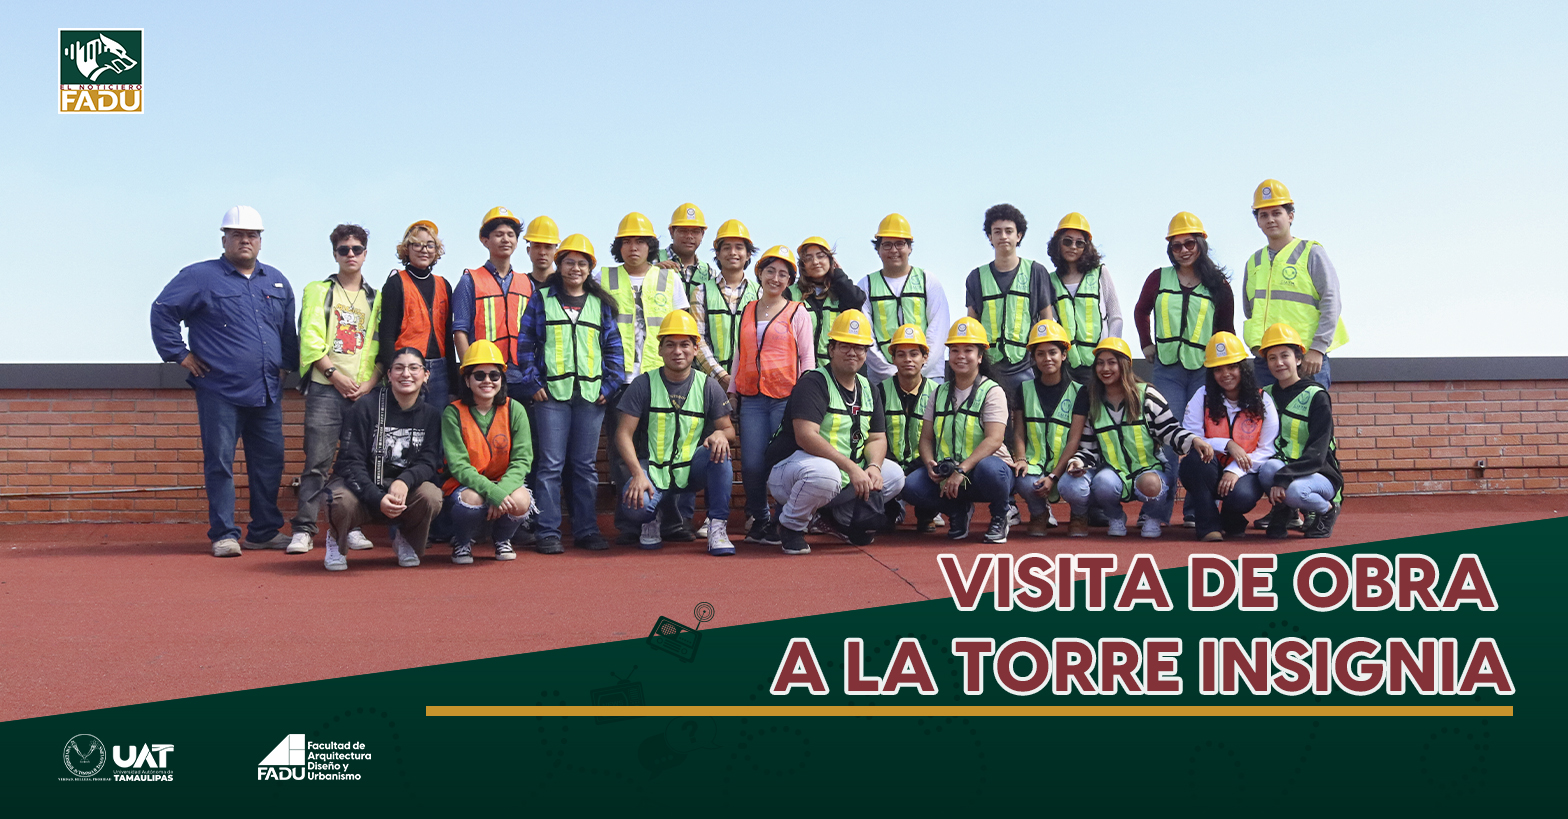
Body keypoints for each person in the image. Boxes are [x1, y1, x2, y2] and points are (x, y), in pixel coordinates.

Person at [150, 205, 298, 558]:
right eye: (237, 235)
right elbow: (162, 310)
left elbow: (287, 330)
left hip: (266, 391)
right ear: (224, 239)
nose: (245, 241)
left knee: (270, 462)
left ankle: (263, 531)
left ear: (261, 241)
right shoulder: (199, 277)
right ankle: (224, 534)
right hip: (219, 390)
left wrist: (286, 366)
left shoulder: (276, 280)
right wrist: (179, 354)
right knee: (220, 462)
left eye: (252, 235)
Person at [599, 212, 707, 544]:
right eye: (627, 241)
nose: (634, 247)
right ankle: (631, 522)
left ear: (651, 246)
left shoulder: (669, 280)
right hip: (619, 380)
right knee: (622, 454)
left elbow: (683, 326)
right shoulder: (602, 278)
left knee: (667, 449)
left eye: (641, 241)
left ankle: (672, 522)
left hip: (660, 378)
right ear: (619, 246)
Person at [516, 234, 625, 553]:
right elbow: (525, 343)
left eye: (582, 263)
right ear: (559, 265)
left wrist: (610, 385)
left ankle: (586, 529)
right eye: (569, 262)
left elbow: (613, 347)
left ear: (590, 267)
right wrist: (533, 383)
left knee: (584, 466)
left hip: (591, 397)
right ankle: (548, 531)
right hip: (552, 396)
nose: (575, 268)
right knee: (550, 464)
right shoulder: (543, 298)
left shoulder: (600, 304)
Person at [764, 310, 906, 554]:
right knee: (825, 474)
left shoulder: (869, 388)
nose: (853, 352)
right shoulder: (814, 382)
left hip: (837, 473)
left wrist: (872, 467)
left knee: (893, 475)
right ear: (831, 349)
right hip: (792, 471)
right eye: (845, 345)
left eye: (859, 347)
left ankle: (837, 517)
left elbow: (876, 437)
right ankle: (789, 525)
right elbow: (806, 435)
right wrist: (853, 468)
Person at [1131, 212, 1236, 529]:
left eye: (1189, 243)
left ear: (1201, 244)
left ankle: (1196, 509)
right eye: (1176, 246)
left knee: (1204, 438)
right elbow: (1140, 311)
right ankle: (1156, 510)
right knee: (1164, 439)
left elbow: (1226, 332)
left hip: (1205, 373)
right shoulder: (1157, 278)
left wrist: (1225, 371)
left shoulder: (1218, 284)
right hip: (1168, 370)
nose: (1184, 250)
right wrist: (1146, 344)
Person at [288, 223, 383, 555]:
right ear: (335, 254)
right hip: (326, 390)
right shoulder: (318, 290)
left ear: (366, 254)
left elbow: (380, 346)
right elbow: (310, 336)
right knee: (317, 461)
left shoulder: (376, 298)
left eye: (357, 249)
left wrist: (369, 385)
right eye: (344, 249)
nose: (351, 255)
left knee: (356, 463)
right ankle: (304, 528)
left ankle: (351, 526)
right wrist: (334, 375)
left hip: (362, 392)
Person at [1058, 338, 1214, 538]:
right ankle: (1115, 517)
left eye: (1112, 362)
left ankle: (1152, 517)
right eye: (1100, 363)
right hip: (1113, 473)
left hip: (1149, 470)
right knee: (1102, 483)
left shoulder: (1147, 395)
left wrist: (1193, 440)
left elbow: (1169, 430)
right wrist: (1077, 461)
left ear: (1125, 364)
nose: (1105, 368)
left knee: (1151, 484)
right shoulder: (1093, 402)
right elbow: (1089, 448)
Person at [613, 310, 737, 555]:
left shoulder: (708, 385)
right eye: (670, 345)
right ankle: (651, 520)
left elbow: (728, 428)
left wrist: (721, 435)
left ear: (694, 349)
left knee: (721, 456)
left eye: (684, 345)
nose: (677, 351)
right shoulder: (643, 383)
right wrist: (637, 473)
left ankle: (717, 528)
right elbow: (622, 434)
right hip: (652, 468)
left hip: (691, 468)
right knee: (636, 508)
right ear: (660, 350)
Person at [324, 347, 445, 570]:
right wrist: (376, 496)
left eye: (413, 368)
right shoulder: (365, 407)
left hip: (401, 495)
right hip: (362, 490)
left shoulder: (431, 415)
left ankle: (405, 538)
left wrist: (404, 480)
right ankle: (336, 540)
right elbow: (350, 462)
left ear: (426, 374)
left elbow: (429, 462)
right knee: (338, 498)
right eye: (398, 368)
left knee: (431, 496)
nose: (406, 374)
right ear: (389, 375)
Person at [901, 318, 1015, 543]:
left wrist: (961, 470)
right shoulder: (939, 393)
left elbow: (994, 439)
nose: (960, 356)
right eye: (954, 350)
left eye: (968, 350)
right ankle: (957, 511)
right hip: (951, 472)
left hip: (983, 471)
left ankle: (1001, 515)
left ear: (980, 356)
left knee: (991, 470)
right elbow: (925, 439)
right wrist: (929, 463)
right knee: (911, 485)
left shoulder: (992, 391)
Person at [731, 245, 817, 544]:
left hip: (786, 398)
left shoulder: (798, 312)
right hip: (752, 399)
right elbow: (738, 353)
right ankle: (760, 518)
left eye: (783, 274)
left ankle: (784, 520)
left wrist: (805, 399)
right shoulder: (748, 310)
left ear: (790, 280)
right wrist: (732, 390)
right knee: (753, 464)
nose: (776, 278)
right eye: (771, 271)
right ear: (760, 273)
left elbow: (808, 359)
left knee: (781, 463)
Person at [1242, 179, 1348, 389]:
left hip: (1308, 360)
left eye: (1276, 213)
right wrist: (1256, 348)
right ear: (1257, 221)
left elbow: (1331, 300)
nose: (1270, 219)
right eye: (1263, 215)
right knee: (1270, 421)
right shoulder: (1254, 262)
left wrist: (1318, 348)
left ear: (1290, 216)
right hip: (1267, 362)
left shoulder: (1311, 252)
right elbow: (1250, 311)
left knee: (1310, 419)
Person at [1177, 332, 1278, 541]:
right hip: (1208, 469)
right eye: (1218, 369)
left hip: (1245, 472)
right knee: (1194, 461)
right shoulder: (1201, 396)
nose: (1226, 374)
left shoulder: (1263, 400)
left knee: (1241, 496)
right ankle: (1208, 527)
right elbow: (1190, 437)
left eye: (1232, 367)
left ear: (1242, 368)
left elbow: (1268, 449)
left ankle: (1231, 518)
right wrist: (1228, 444)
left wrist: (1234, 471)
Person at [442, 339, 535, 564]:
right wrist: (491, 492)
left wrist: (500, 491)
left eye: (494, 375)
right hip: (466, 485)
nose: (487, 381)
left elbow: (522, 460)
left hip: (504, 480)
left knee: (521, 500)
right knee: (471, 500)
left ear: (501, 379)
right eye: (479, 375)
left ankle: (502, 539)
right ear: (466, 379)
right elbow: (459, 465)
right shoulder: (452, 413)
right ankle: (462, 542)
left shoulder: (515, 409)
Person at [1255, 323, 1343, 538]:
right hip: (1285, 469)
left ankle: (1326, 511)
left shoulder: (1316, 396)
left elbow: (1318, 453)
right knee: (1267, 469)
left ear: (1298, 359)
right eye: (1272, 358)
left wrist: (1283, 479)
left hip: (1319, 472)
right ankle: (1285, 509)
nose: (1279, 363)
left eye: (1285, 355)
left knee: (1295, 491)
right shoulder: (1264, 395)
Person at [965, 204, 1059, 394]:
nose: (1003, 236)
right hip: (988, 369)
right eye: (997, 232)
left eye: (1009, 231)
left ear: (1019, 235)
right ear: (990, 237)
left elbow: (1047, 321)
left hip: (1026, 368)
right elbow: (971, 325)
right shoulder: (976, 277)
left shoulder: (1036, 272)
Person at [1010, 320, 1081, 537]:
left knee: (1077, 486)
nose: (1047, 358)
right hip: (1035, 461)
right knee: (1022, 479)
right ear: (1033, 357)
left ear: (1064, 355)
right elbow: (1019, 432)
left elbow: (1074, 440)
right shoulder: (1023, 389)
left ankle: (1079, 515)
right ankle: (1039, 513)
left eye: (1053, 352)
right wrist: (1021, 459)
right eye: (1040, 353)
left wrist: (1053, 476)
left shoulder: (1079, 391)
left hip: (1068, 465)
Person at [859, 214, 949, 384]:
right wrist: (890, 371)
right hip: (882, 378)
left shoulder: (928, 280)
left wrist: (919, 368)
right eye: (887, 245)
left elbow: (939, 330)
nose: (894, 250)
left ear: (910, 248)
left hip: (929, 376)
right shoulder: (866, 285)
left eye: (900, 244)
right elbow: (865, 336)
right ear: (878, 250)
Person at [453, 206, 532, 398]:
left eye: (511, 235)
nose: (506, 239)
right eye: (499, 234)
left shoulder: (527, 283)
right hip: (485, 377)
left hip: (521, 376)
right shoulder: (469, 281)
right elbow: (460, 331)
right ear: (485, 240)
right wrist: (470, 372)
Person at [378, 220, 456, 408]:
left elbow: (448, 336)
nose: (424, 250)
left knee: (437, 430)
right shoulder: (396, 283)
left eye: (430, 245)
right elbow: (387, 335)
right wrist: (392, 372)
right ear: (407, 249)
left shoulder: (444, 285)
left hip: (440, 370)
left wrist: (454, 383)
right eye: (417, 244)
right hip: (407, 370)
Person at [1044, 212, 1125, 384]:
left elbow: (1115, 316)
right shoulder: (1049, 280)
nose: (1073, 247)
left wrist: (1111, 352)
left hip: (1098, 364)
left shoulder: (1100, 273)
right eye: (1067, 241)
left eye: (1079, 243)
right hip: (1065, 366)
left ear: (1086, 247)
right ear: (1058, 244)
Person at [877, 324, 941, 532]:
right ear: (893, 359)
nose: (908, 360)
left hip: (922, 467)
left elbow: (940, 440)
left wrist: (914, 468)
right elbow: (874, 436)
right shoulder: (879, 392)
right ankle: (891, 509)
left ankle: (926, 514)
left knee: (924, 480)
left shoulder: (938, 393)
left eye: (914, 354)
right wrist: (894, 469)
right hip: (887, 465)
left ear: (924, 358)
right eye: (901, 354)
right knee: (878, 523)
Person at [689, 219, 760, 390]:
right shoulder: (701, 292)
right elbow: (698, 339)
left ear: (748, 254)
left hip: (750, 383)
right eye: (726, 247)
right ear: (718, 254)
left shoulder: (760, 293)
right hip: (708, 382)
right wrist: (721, 376)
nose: (733, 252)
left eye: (739, 247)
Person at [791, 237, 867, 361]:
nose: (815, 262)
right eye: (808, 258)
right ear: (803, 265)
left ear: (831, 260)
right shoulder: (790, 293)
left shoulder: (841, 290)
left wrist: (839, 275)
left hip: (834, 369)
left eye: (821, 256)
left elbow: (857, 300)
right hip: (800, 367)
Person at [655, 202, 717, 289]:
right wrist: (652, 272)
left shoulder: (708, 273)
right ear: (671, 232)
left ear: (702, 234)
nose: (689, 236)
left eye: (695, 231)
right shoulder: (653, 259)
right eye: (683, 231)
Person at [522, 215, 560, 289]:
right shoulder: (520, 286)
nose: (542, 252)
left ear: (556, 252)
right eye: (537, 246)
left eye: (548, 247)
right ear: (528, 250)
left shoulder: (564, 286)